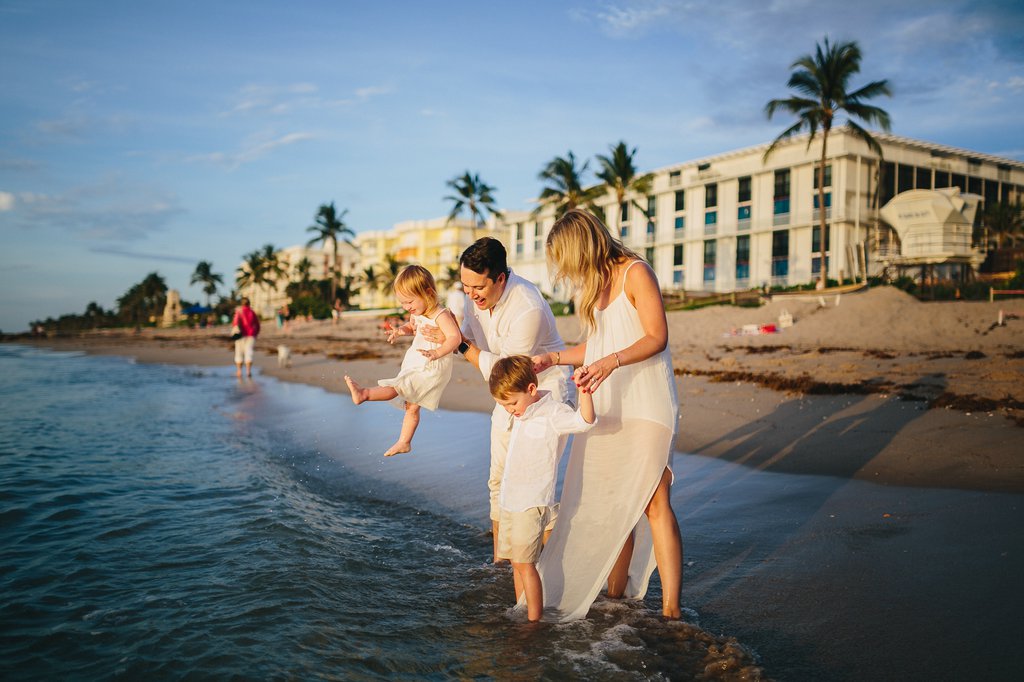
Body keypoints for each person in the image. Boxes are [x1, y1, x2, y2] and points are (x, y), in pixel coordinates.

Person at [531, 208, 683, 620]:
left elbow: (657, 336)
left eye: (568, 259)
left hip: (648, 405)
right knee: (619, 507)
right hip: (610, 405)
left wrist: (611, 363)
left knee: (654, 502)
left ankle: (671, 610)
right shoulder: (596, 289)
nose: (569, 271)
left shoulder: (636, 272)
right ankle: (616, 600)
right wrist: (553, 358)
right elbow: (596, 347)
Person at [424, 237, 569, 562]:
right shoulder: (476, 301)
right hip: (507, 395)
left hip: (542, 395)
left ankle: (554, 564)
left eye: (478, 287)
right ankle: (501, 561)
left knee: (535, 488)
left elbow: (506, 370)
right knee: (498, 479)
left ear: (500, 278)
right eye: (465, 287)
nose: (472, 295)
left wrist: (459, 344)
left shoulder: (526, 306)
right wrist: (447, 339)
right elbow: (468, 339)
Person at [488, 355, 595, 621]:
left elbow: (585, 422)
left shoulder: (553, 413)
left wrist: (584, 392)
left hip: (531, 502)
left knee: (526, 564)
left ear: (531, 390)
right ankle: (520, 609)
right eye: (503, 405)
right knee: (516, 562)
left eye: (511, 403)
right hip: (510, 500)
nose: (509, 409)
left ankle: (534, 621)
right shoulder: (523, 410)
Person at [344, 265, 460, 457]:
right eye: (403, 303)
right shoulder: (417, 312)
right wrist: (401, 331)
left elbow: (454, 337)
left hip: (432, 366)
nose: (406, 307)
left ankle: (365, 394)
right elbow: (412, 326)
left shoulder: (441, 314)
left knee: (401, 387)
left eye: (409, 302)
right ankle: (404, 442)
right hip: (418, 360)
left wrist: (438, 352)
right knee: (411, 406)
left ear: (428, 293)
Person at [231, 297, 261, 378]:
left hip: (240, 335)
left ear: (242, 303)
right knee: (249, 352)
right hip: (251, 335)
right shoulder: (252, 312)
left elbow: (235, 323)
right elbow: (257, 325)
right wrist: (255, 333)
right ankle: (248, 371)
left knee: (239, 353)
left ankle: (239, 371)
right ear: (249, 303)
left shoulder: (239, 312)